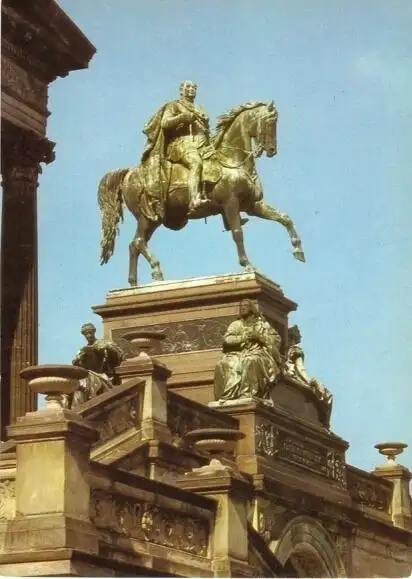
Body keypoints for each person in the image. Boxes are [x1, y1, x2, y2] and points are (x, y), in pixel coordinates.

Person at [141, 80, 211, 218]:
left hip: (202, 143)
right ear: (181, 90)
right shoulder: (174, 105)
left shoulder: (200, 109)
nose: (191, 89)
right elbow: (165, 123)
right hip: (181, 144)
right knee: (196, 163)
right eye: (188, 86)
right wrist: (183, 117)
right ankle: (194, 200)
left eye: (194, 87)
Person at [214, 299, 282, 402]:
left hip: (259, 353)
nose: (242, 308)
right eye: (241, 306)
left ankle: (247, 394)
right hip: (238, 353)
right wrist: (244, 338)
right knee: (223, 364)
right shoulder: (236, 324)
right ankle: (227, 396)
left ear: (252, 309)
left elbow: (275, 341)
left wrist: (259, 337)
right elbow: (227, 339)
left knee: (250, 361)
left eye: (245, 306)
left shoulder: (262, 325)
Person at [285, 325, 333, 427]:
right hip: (291, 374)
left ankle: (324, 424)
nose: (292, 341)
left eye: (293, 338)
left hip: (289, 373)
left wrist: (309, 380)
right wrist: (309, 381)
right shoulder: (295, 350)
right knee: (327, 396)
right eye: (291, 337)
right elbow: (300, 369)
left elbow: (300, 369)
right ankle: (325, 424)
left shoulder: (293, 350)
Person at [70, 322, 124, 408]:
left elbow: (119, 355)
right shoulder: (82, 350)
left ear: (94, 332)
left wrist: (107, 349)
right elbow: (76, 365)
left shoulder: (104, 343)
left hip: (103, 375)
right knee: (79, 383)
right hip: (88, 375)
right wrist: (80, 358)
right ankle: (77, 407)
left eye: (90, 332)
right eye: (86, 334)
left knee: (87, 380)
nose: (89, 335)